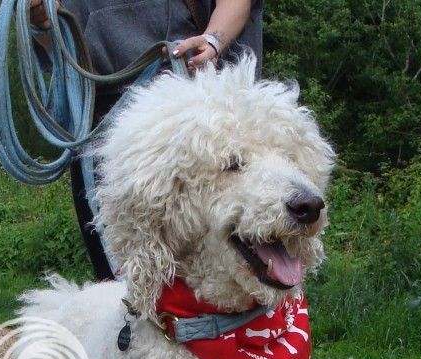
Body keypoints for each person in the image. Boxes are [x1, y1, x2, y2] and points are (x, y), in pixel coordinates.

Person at [29, 0, 263, 280]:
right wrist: (39, 20)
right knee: (126, 277)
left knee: (227, 269)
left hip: (197, 112)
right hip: (105, 124)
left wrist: (213, 41)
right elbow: (58, 45)